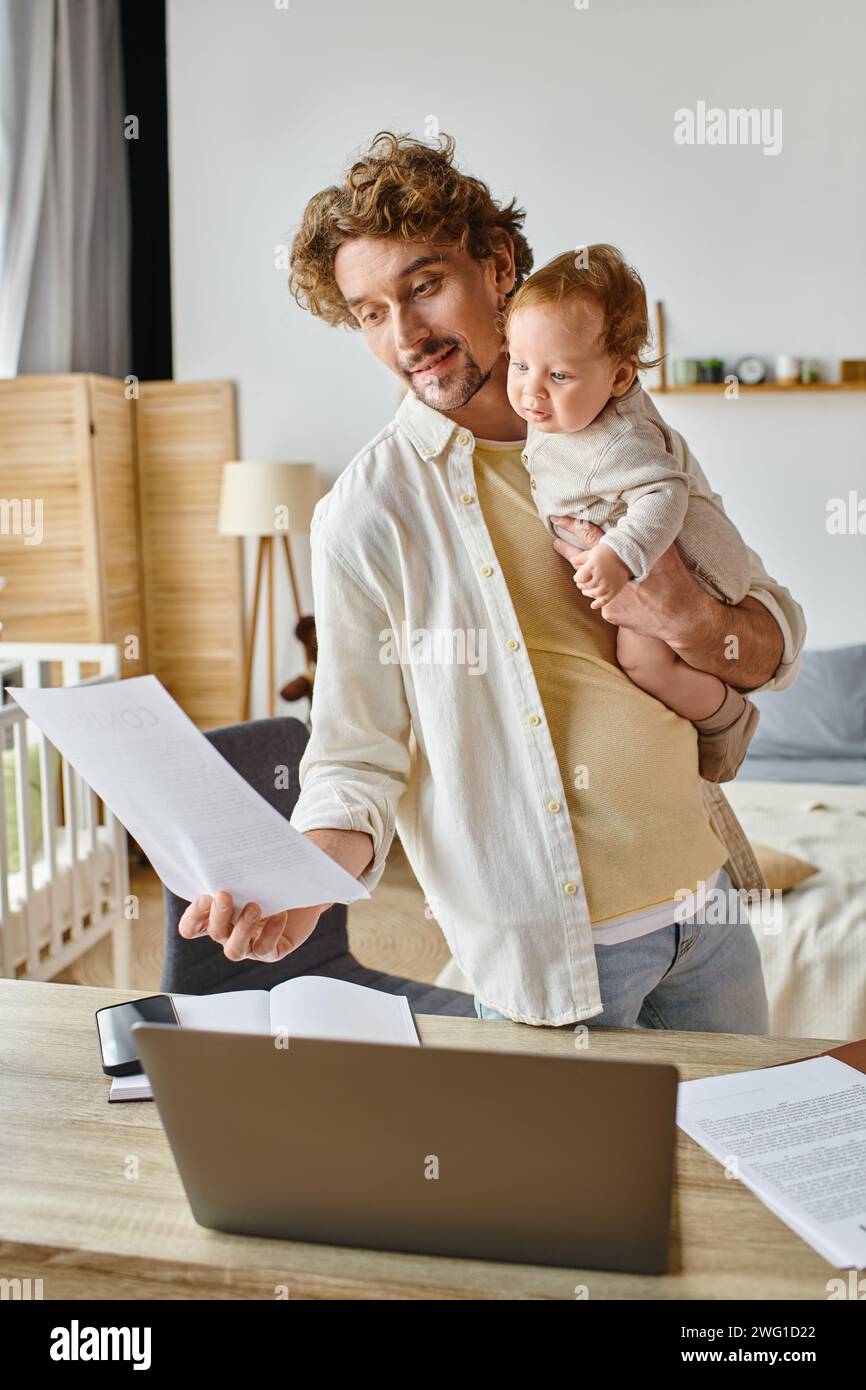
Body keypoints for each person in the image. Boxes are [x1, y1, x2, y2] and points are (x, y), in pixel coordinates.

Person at [177, 130, 805, 1030]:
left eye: (424, 286)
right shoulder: (368, 512)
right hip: (560, 954)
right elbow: (357, 753)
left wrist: (694, 617)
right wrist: (302, 884)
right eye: (369, 312)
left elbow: (773, 637)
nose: (406, 336)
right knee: (587, 1179)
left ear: (499, 266)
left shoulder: (625, 425)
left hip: (709, 914)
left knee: (735, 1174)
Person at [502, 243, 759, 783]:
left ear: (619, 379)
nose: (531, 391)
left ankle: (726, 720)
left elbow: (667, 492)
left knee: (644, 663)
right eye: (520, 364)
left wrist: (619, 552)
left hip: (693, 569)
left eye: (559, 376)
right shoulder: (566, 407)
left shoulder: (618, 439)